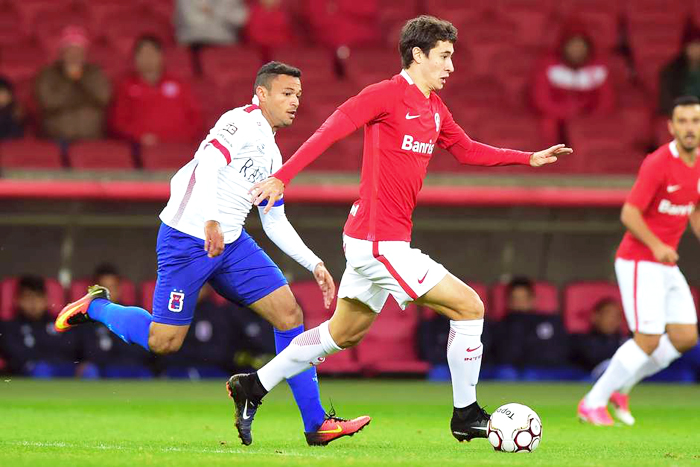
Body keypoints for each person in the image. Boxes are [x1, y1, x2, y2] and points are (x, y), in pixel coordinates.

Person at [237, 15, 571, 444]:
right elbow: (331, 130)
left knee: (341, 334)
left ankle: (253, 386)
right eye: (445, 56)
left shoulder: (434, 108)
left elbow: (466, 151)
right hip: (378, 242)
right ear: (418, 55)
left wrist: (528, 158)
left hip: (378, 239)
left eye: (453, 57)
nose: (451, 66)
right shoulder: (385, 95)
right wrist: (283, 176)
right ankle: (466, 414)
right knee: (470, 308)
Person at [54, 61, 369, 446]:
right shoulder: (238, 121)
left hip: (231, 243)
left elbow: (273, 220)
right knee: (164, 342)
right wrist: (210, 221)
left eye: (298, 96)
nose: (294, 102)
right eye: (287, 94)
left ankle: (315, 423)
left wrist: (314, 263)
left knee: (289, 314)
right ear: (262, 93)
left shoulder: (272, 152)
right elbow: (207, 165)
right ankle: (97, 307)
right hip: (188, 239)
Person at [578, 96, 700, 426]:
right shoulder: (659, 163)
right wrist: (658, 245)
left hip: (664, 263)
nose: (690, 128)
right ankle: (592, 403)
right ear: (671, 127)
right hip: (638, 260)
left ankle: (623, 386)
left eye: (696, 121)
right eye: (684, 121)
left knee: (686, 336)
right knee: (647, 339)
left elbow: (695, 209)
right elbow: (629, 214)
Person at [110, 35, 203, 147]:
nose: (147, 58)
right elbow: (118, 122)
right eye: (142, 54)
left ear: (161, 56)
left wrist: (177, 138)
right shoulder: (126, 87)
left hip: (180, 147)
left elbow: (196, 119)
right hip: (140, 149)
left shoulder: (179, 84)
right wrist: (140, 136)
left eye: (151, 53)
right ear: (135, 58)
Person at [531, 21, 614, 144]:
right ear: (563, 46)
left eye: (581, 46)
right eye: (573, 46)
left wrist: (589, 117)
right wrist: (567, 111)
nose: (577, 50)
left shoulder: (597, 70)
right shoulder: (549, 67)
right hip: (556, 117)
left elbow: (606, 101)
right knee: (548, 124)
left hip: (587, 119)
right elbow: (541, 100)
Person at [35, 26, 111, 141]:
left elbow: (104, 97)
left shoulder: (95, 73)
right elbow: (48, 102)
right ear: (62, 52)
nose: (74, 55)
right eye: (70, 50)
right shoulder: (48, 74)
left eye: (79, 50)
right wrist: (70, 80)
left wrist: (82, 79)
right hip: (57, 139)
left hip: (91, 138)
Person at [0, 276, 80, 377]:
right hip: (28, 373)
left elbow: (71, 348)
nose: (33, 303)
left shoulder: (60, 323)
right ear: (17, 300)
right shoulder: (9, 326)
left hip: (61, 367)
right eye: (28, 297)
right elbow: (14, 355)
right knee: (41, 369)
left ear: (46, 300)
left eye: (38, 297)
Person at [495, 277, 568, 369]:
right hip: (517, 373)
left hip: (550, 370)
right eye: (515, 299)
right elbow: (505, 356)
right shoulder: (501, 325)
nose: (519, 303)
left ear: (533, 299)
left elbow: (560, 351)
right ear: (508, 301)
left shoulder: (550, 321)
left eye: (524, 298)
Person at [570, 298, 626, 372]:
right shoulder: (581, 341)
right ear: (595, 317)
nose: (612, 319)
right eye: (607, 314)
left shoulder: (626, 342)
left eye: (617, 316)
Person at [659, 22, 700, 116]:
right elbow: (666, 103)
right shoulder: (670, 72)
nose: (696, 51)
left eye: (698, 46)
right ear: (685, 48)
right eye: (692, 47)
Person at [174, 0, 248, 47]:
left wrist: (213, 12)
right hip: (193, 42)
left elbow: (241, 19)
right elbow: (191, 20)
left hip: (225, 43)